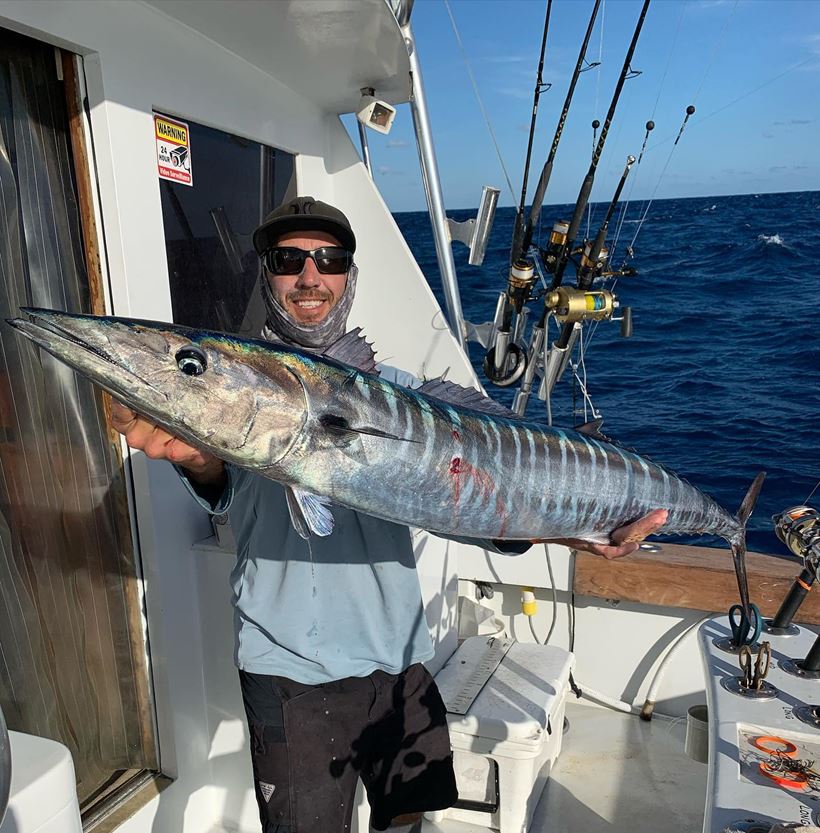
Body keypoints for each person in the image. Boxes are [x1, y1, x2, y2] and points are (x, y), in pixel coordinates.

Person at [111, 196, 667, 833]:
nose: (309, 276)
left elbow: (482, 503)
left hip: (400, 658)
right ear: (267, 274)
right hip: (290, 671)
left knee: (408, 819)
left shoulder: (403, 388)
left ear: (349, 275)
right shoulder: (235, 384)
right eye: (289, 260)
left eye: (330, 259)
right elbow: (221, 482)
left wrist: (577, 533)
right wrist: (193, 459)